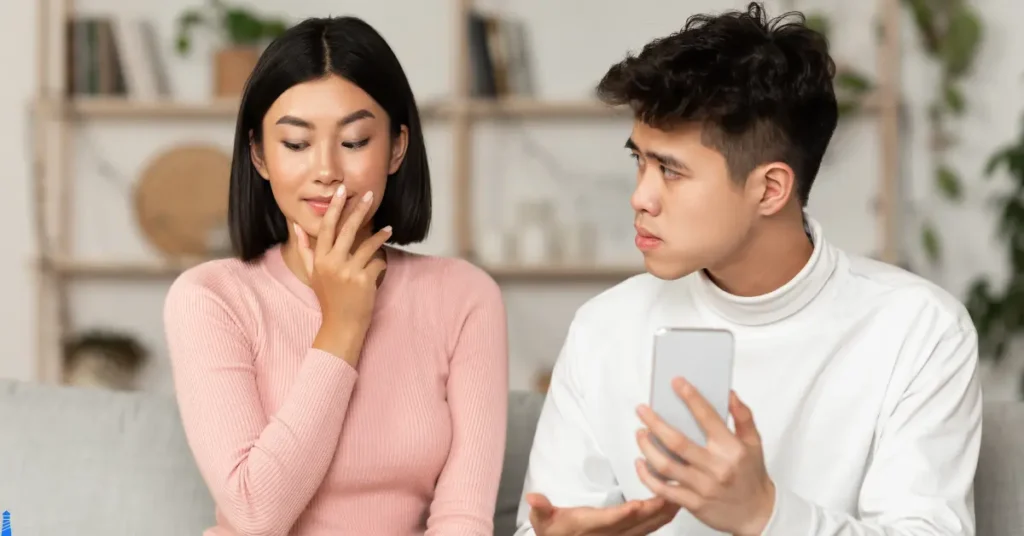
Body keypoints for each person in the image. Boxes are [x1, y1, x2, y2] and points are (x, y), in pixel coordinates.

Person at [515, 3, 982, 535]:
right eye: (639, 161)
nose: (640, 197)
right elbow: (545, 523)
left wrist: (765, 513)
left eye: (670, 170)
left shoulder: (919, 331)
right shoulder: (605, 326)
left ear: (770, 189)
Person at [163, 16, 508, 536]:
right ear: (259, 155)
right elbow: (256, 514)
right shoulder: (211, 298)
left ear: (396, 148)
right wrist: (342, 327)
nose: (326, 170)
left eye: (353, 142)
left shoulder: (464, 297)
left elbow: (464, 517)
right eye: (296, 145)